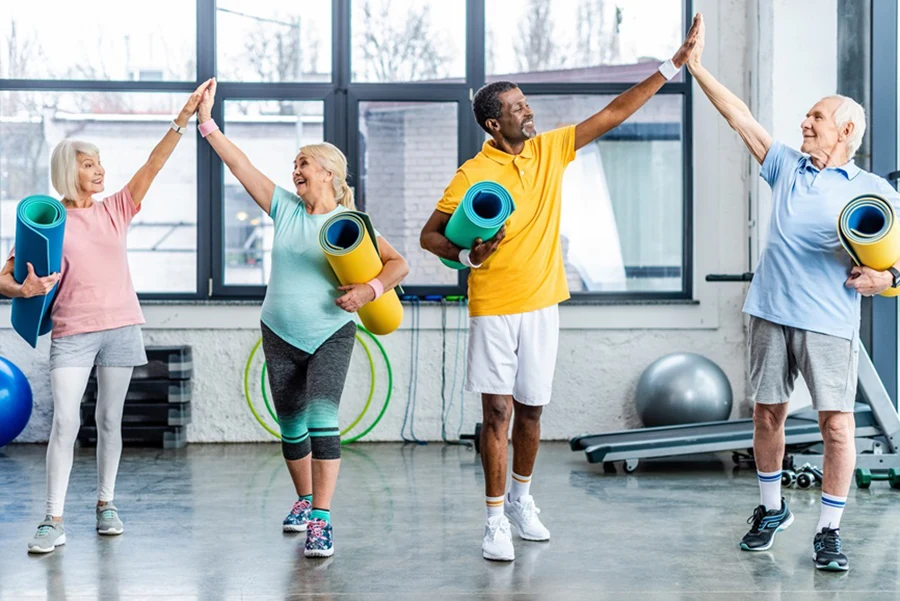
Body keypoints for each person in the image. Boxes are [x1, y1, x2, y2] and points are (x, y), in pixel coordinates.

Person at [419, 16, 701, 562]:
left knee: (532, 412)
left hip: (543, 301)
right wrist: (465, 255)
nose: (529, 110)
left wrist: (673, 65)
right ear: (492, 124)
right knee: (496, 413)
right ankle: (495, 518)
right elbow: (430, 235)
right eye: (517, 106)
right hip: (494, 303)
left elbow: (614, 112)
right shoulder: (472, 174)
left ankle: (523, 502)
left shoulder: (549, 151)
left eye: (527, 103)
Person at [687, 14, 900, 571]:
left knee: (837, 425)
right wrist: (697, 68)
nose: (805, 123)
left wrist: (888, 280)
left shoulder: (874, 191)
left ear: (846, 131)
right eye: (806, 114)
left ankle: (828, 530)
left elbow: (895, 266)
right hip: (769, 314)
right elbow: (741, 117)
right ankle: (770, 508)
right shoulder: (786, 166)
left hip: (829, 322)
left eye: (817, 117)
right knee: (767, 416)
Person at [196, 79, 408, 558]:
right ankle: (304, 500)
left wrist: (369, 289)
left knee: (320, 415)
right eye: (294, 165)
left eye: (303, 164)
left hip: (331, 331)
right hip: (278, 330)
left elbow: (399, 265)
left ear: (330, 173)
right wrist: (207, 122)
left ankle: (322, 521)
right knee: (290, 425)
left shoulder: (351, 222)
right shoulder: (285, 210)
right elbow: (240, 165)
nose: (295, 171)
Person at [0, 80, 214, 554]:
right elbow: (6, 278)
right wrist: (25, 288)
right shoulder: (47, 218)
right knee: (64, 424)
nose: (100, 171)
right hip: (74, 332)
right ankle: (52, 519)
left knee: (110, 420)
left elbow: (153, 166)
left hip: (121, 325)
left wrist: (183, 120)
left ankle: (106, 504)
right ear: (68, 171)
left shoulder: (117, 208)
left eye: (100, 164)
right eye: (89, 164)